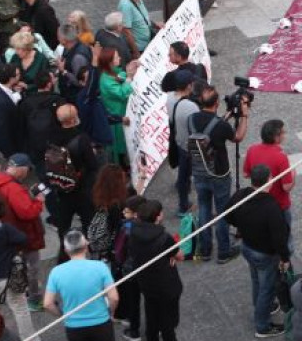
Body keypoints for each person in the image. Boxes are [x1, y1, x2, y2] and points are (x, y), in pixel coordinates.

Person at [185, 84, 248, 263]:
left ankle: (205, 250)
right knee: (222, 212)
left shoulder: (191, 119)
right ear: (217, 103)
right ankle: (223, 251)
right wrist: (244, 115)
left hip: (199, 172)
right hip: (219, 173)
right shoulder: (221, 126)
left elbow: (210, 128)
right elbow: (238, 136)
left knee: (204, 208)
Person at [227, 164, 290, 338]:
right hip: (265, 254)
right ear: (269, 179)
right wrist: (285, 258)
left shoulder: (241, 194)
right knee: (266, 289)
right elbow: (279, 237)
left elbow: (227, 213)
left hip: (248, 247)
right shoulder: (271, 206)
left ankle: (262, 307)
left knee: (256, 280)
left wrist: (239, 224)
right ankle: (262, 326)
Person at [0, 154, 47, 309]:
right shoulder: (13, 189)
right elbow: (27, 213)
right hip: (25, 234)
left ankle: (18, 289)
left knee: (16, 264)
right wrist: (39, 202)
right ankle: (33, 299)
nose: (28, 173)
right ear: (21, 169)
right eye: (27, 169)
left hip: (8, 232)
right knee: (33, 267)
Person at [123, 200, 182, 341]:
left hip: (146, 283)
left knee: (152, 318)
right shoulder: (164, 237)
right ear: (158, 217)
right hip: (166, 284)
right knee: (168, 325)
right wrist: (172, 255)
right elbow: (179, 255)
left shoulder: (133, 232)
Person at [45, 231, 118, 341]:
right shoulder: (100, 267)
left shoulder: (56, 272)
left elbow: (47, 304)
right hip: (101, 322)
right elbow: (114, 298)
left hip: (74, 326)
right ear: (86, 247)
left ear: (66, 251)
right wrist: (110, 313)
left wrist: (62, 315)